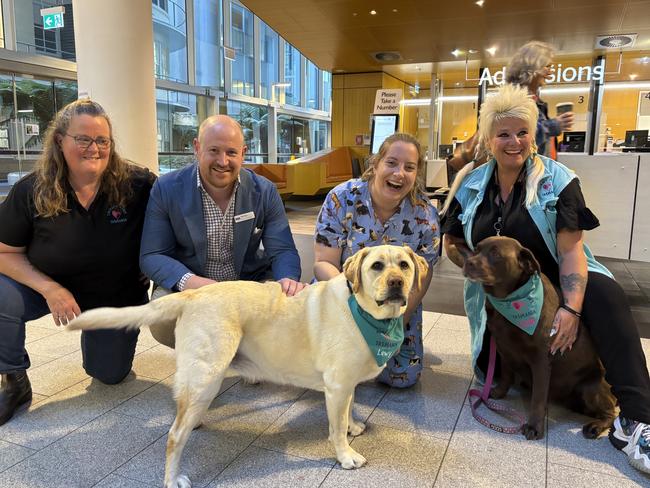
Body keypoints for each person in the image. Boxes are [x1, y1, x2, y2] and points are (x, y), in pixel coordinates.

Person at [441, 84, 650, 474]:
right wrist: (472, 266)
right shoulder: (471, 183)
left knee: (607, 296)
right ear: (489, 138)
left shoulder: (558, 179)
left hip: (557, 270)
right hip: (504, 288)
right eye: (504, 133)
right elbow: (452, 240)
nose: (514, 141)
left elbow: (571, 252)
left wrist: (570, 307)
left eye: (522, 132)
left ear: (533, 133)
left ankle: (637, 418)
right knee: (490, 367)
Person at [0, 99, 155, 425]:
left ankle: (100, 342)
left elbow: (174, 218)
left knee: (109, 374)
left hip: (115, 294)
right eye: (83, 139)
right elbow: (5, 252)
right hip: (49, 286)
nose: (94, 148)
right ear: (60, 140)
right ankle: (13, 379)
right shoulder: (32, 189)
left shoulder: (137, 184)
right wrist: (49, 288)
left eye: (102, 141)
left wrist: (152, 263)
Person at [140, 114, 305, 348]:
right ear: (197, 148)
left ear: (243, 153)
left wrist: (287, 280)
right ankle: (219, 346)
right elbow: (152, 255)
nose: (223, 161)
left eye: (231, 152)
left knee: (287, 309)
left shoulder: (264, 191)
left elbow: (282, 249)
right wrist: (192, 282)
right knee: (163, 318)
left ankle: (244, 346)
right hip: (196, 286)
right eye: (214, 150)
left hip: (247, 284)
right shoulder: (167, 188)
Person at [314, 133, 440, 388]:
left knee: (402, 378)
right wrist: (355, 312)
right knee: (323, 373)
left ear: (417, 174)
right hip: (343, 297)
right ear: (375, 164)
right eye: (391, 163)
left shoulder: (426, 215)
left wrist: (395, 323)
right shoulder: (342, 198)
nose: (399, 173)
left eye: (409, 167)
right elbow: (322, 263)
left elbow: (423, 276)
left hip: (395, 306)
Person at [506, 40, 574, 159]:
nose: (550, 72)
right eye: (547, 66)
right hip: (528, 173)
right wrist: (553, 126)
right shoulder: (514, 99)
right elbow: (517, 139)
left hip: (540, 171)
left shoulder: (534, 100)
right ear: (532, 67)